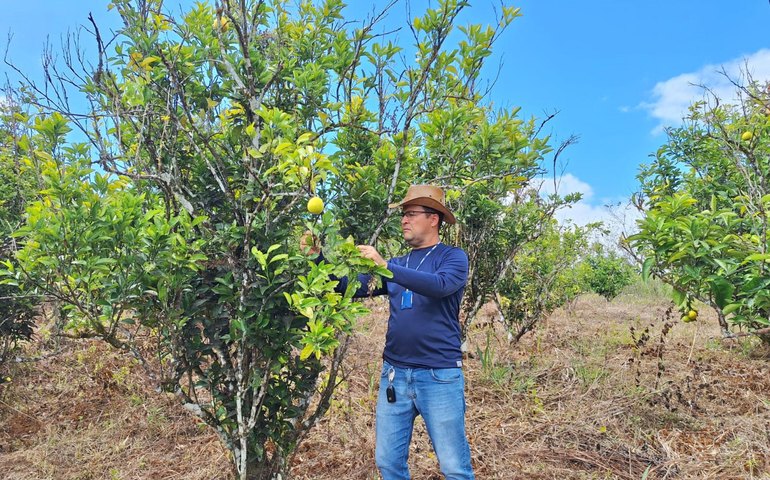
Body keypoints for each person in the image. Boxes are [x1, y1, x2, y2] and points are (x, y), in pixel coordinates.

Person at [304, 184, 474, 479]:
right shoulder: (398, 263)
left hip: (440, 376)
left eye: (411, 214)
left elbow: (440, 286)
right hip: (395, 375)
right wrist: (317, 257)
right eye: (403, 215)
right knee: (388, 462)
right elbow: (349, 286)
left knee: (453, 467)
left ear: (433, 219)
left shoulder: (453, 258)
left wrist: (385, 266)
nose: (404, 220)